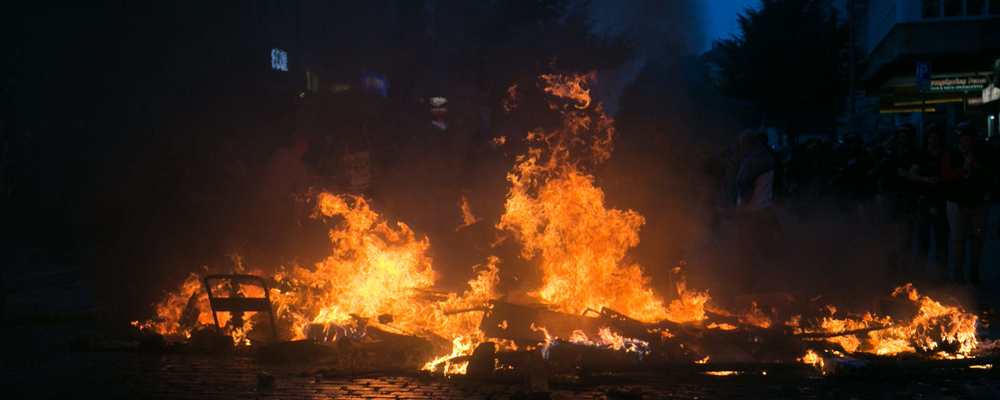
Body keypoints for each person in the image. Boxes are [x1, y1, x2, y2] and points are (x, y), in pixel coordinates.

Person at [941, 123, 993, 284]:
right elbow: (947, 178)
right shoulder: (950, 155)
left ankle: (974, 269)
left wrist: (978, 167)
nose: (968, 142)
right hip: (957, 203)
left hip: (977, 203)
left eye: (971, 138)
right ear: (959, 139)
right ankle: (958, 271)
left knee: (977, 236)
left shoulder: (982, 153)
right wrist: (964, 167)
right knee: (958, 238)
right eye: (965, 139)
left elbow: (991, 173)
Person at [735, 130, 780, 293]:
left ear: (746, 144)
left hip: (751, 213)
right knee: (766, 249)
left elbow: (745, 187)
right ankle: (773, 284)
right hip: (765, 209)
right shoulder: (767, 156)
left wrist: (741, 209)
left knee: (746, 252)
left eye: (741, 144)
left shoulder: (751, 160)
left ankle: (747, 289)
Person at [876, 123, 922, 276]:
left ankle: (905, 265)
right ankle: (892, 264)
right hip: (892, 198)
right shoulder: (890, 152)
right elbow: (883, 172)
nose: (903, 139)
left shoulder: (916, 153)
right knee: (889, 233)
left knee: (906, 233)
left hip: (908, 199)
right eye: (900, 136)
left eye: (906, 136)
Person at [907, 124, 949, 281]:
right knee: (922, 239)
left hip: (942, 202)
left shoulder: (946, 155)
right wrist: (926, 180)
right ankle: (919, 273)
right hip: (925, 201)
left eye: (936, 138)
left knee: (941, 240)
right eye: (930, 138)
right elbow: (910, 174)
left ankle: (942, 274)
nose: (933, 141)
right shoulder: (923, 156)